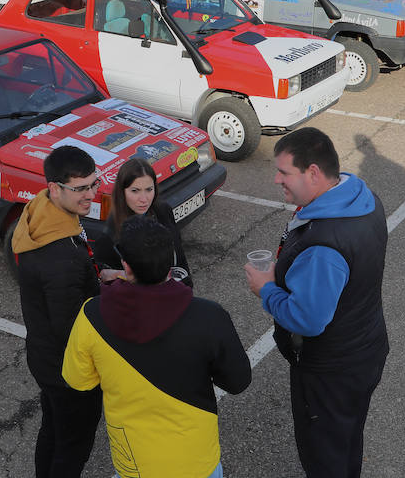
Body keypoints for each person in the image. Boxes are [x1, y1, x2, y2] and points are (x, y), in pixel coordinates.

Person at [243, 127, 388, 478]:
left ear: (313, 172)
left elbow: (307, 320)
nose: (277, 180)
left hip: (331, 370)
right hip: (365, 348)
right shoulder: (361, 197)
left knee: (324, 456)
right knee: (347, 438)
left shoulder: (325, 244)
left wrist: (266, 289)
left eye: (284, 172)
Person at [64, 215, 250, 478]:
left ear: (126, 266)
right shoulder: (209, 316)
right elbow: (238, 381)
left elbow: (79, 381)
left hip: (133, 462)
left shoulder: (91, 314)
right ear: (170, 263)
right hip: (195, 459)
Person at [13, 145, 103, 478]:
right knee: (73, 446)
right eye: (80, 189)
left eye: (93, 184)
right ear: (55, 188)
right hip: (68, 370)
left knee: (53, 430)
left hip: (44, 357)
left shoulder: (40, 211)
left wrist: (95, 274)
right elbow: (71, 328)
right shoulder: (61, 256)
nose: (90, 195)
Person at [92, 158, 192, 288]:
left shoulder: (163, 211)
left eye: (149, 189)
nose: (144, 199)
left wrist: (187, 286)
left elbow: (179, 255)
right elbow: (109, 285)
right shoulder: (108, 237)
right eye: (135, 191)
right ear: (122, 192)